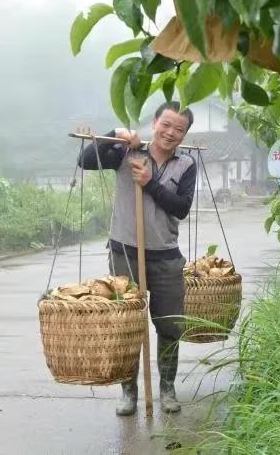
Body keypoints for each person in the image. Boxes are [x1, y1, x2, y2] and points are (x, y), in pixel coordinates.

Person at [78, 101, 197, 416]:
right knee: (127, 326)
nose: (170, 133)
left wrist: (149, 184)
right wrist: (116, 134)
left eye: (179, 129)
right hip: (125, 253)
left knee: (170, 326)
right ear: (155, 122)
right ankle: (129, 392)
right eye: (166, 124)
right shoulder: (127, 153)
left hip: (166, 256)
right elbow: (85, 160)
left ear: (184, 136)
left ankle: (167, 388)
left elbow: (181, 207)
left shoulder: (186, 165)